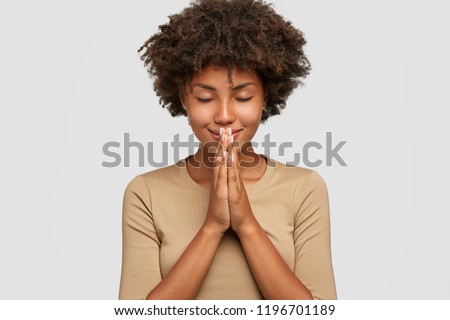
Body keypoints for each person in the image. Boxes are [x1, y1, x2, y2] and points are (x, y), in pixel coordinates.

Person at [119, 0, 336, 300]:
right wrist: (213, 226)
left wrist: (246, 223)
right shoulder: (146, 193)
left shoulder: (304, 189)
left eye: (243, 97)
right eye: (205, 98)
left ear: (265, 97)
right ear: (183, 98)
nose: (223, 115)